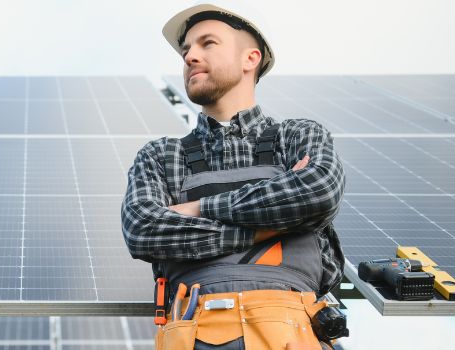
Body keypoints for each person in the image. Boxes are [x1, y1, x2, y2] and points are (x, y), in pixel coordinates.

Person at [120, 2, 346, 349]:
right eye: (186, 49)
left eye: (207, 43)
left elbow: (317, 192)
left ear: (250, 59)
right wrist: (278, 222)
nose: (190, 56)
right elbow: (144, 231)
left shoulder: (298, 135)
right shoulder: (162, 155)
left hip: (293, 333)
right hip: (192, 331)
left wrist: (198, 208)